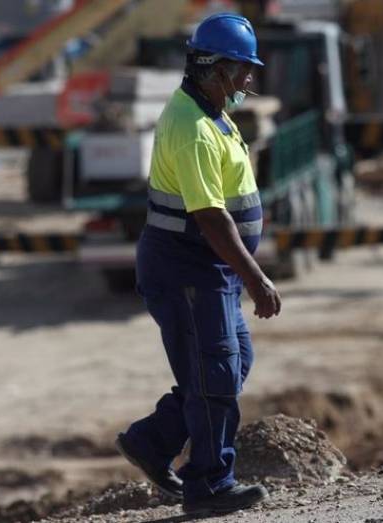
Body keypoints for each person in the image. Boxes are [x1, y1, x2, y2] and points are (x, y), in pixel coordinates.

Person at [115, 13, 280, 516]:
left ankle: (152, 441)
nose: (250, 78)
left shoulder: (212, 113)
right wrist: (256, 277)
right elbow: (210, 216)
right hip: (187, 269)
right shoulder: (192, 126)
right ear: (215, 68)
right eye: (243, 68)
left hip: (209, 271)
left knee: (229, 365)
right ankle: (208, 484)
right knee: (215, 375)